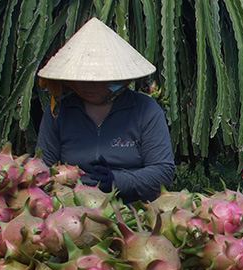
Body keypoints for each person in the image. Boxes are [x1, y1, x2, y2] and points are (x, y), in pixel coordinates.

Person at [36, 17, 175, 204]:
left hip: (135, 208)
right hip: (72, 209)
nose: (88, 86)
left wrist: (117, 181)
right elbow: (42, 166)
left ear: (119, 79)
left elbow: (162, 171)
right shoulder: (59, 111)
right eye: (83, 78)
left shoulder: (146, 110)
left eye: (99, 80)